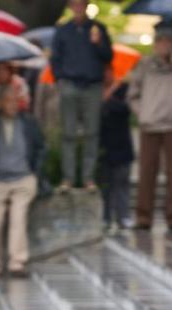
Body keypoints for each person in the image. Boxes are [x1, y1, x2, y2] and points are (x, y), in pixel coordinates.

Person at [0, 87, 44, 290]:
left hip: (23, 177)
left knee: (18, 216)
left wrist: (35, 172)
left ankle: (17, 263)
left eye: (15, 100)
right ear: (0, 102)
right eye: (8, 101)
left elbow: (41, 147)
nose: (13, 105)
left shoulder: (28, 122)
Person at [127, 29, 172, 231]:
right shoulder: (144, 65)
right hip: (150, 125)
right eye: (161, 42)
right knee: (146, 172)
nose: (164, 45)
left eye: (168, 42)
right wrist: (142, 113)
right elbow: (132, 94)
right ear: (155, 44)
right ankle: (143, 217)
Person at [51, 0, 113, 192]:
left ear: (86, 5)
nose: (78, 7)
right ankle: (67, 178)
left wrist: (99, 43)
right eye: (74, 4)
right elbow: (55, 58)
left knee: (92, 134)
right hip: (69, 84)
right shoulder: (63, 30)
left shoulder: (98, 28)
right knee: (68, 133)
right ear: (70, 7)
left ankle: (88, 178)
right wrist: (60, 80)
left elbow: (108, 56)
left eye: (81, 3)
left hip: (92, 86)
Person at [99, 74, 134, 230]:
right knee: (105, 185)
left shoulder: (123, 89)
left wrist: (108, 99)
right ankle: (105, 217)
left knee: (122, 183)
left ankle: (123, 216)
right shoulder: (95, 89)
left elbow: (126, 109)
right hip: (103, 145)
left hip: (122, 145)